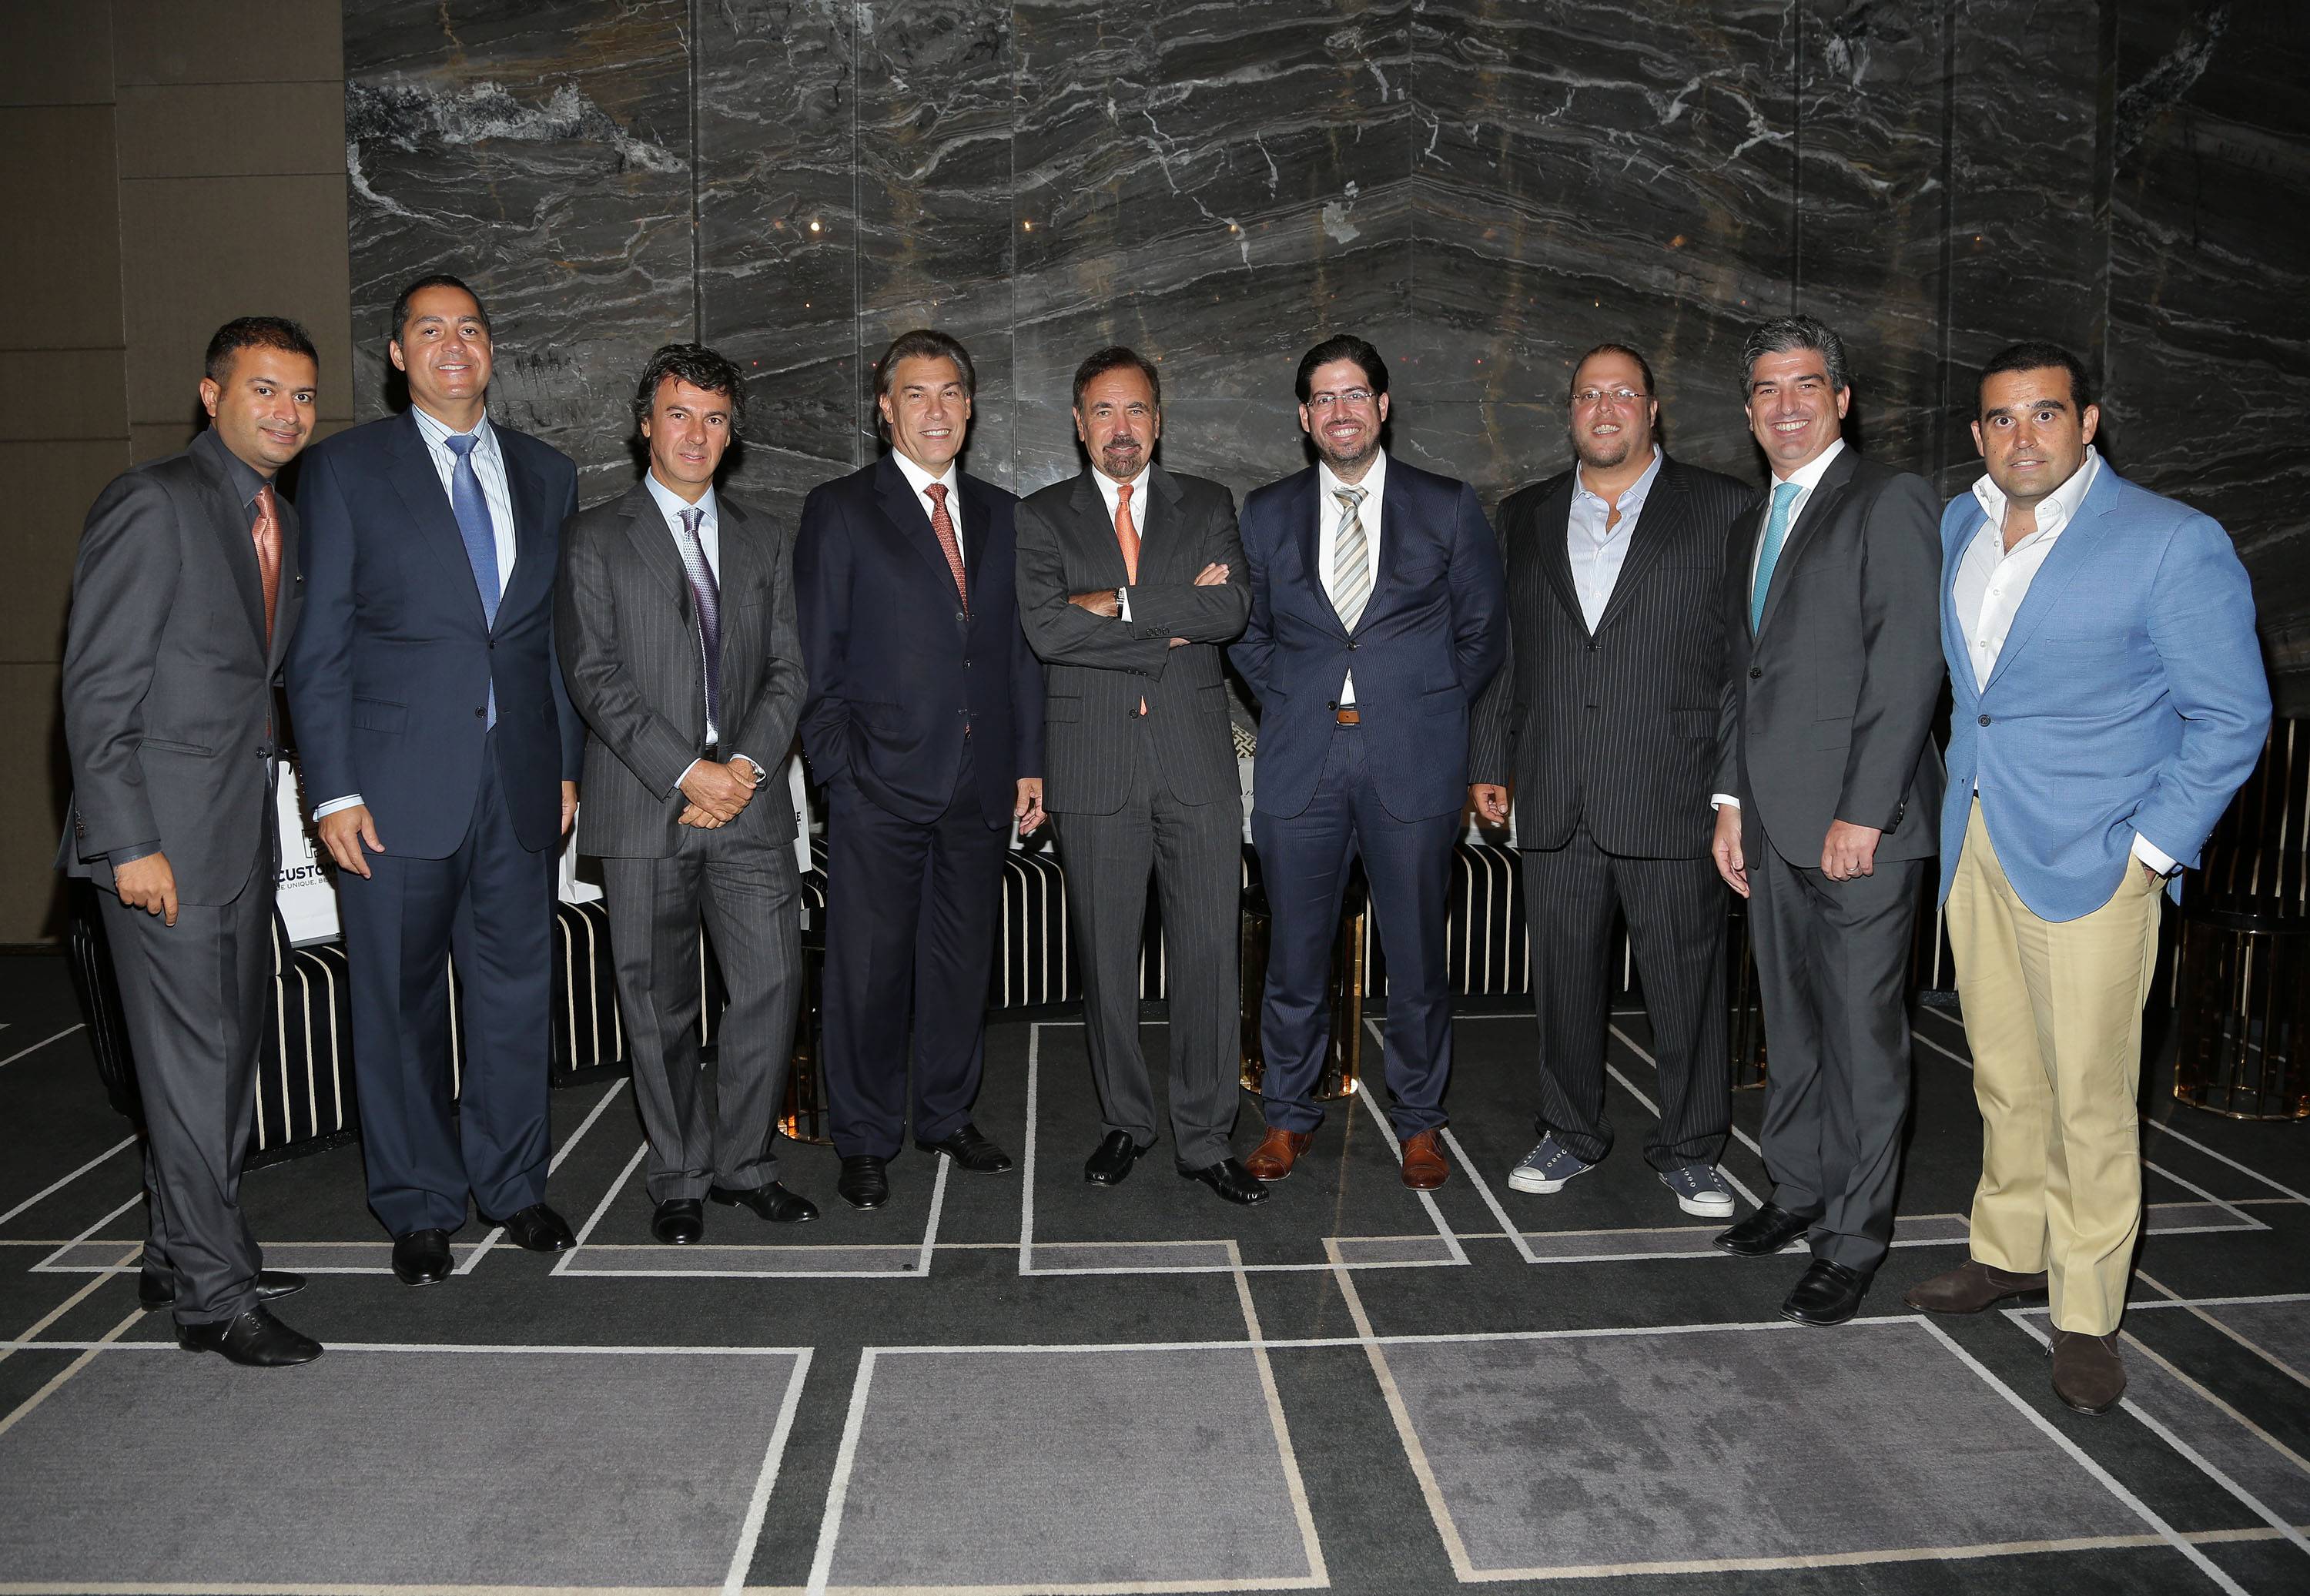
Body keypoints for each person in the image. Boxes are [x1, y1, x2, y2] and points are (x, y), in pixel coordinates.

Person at [1903, 343, 2269, 1411]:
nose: (2022, 436)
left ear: (2088, 421)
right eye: (2001, 418)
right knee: (2004, 1072)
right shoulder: (1960, 523)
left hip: (2099, 856)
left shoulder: (2172, 541)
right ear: (1977, 433)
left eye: (2045, 414)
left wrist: (2150, 851)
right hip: (1978, 836)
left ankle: (2088, 1310)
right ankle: (2010, 1250)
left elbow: (2232, 714)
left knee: (2092, 1100)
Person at [285, 274, 584, 1285]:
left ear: (491, 348)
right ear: (397, 355)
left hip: (519, 781)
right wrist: (331, 789)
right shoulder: (344, 469)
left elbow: (549, 641)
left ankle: (514, 1184)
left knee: (516, 996)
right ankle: (417, 1203)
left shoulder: (547, 472)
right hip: (392, 788)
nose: (453, 345)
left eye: (469, 329)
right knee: (397, 1004)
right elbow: (319, 643)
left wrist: (566, 766)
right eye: (429, 331)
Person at [59, 316, 324, 1365]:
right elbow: (96, 692)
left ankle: (180, 1249)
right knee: (193, 1067)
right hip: (161, 846)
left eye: (303, 396)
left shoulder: (276, 515)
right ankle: (214, 1300)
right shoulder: (153, 501)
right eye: (265, 390)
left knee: (218, 1063)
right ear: (211, 395)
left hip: (234, 837)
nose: (287, 413)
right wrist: (130, 844)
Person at [1470, 343, 1757, 1217]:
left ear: (1652, 409)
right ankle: (1568, 1131)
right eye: (1588, 394)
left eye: (1622, 393)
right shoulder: (1522, 513)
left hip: (1673, 789)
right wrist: (1488, 757)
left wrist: (1731, 791)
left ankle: (1692, 1148)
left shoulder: (1723, 507)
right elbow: (1506, 647)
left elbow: (1744, 667)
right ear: (1570, 411)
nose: (1604, 408)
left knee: (1687, 986)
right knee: (1562, 983)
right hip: (1555, 787)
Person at [1709, 314, 1945, 1327]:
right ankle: (1799, 1189)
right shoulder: (1751, 520)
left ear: (1842, 399)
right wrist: (1731, 802)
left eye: (1807, 384)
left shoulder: (1889, 498)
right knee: (1794, 1026)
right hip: (1770, 824)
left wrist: (1864, 812)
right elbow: (1745, 679)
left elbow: (1908, 666)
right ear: (1749, 411)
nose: (1787, 405)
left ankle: (1852, 1239)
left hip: (1861, 831)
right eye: (1768, 388)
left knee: (1861, 1041)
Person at [1231, 334, 1506, 1189]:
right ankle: (1287, 1115)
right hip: (1301, 761)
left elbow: (1483, 633)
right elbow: (1246, 630)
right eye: (1324, 398)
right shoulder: (1265, 512)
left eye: (1355, 394)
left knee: (1417, 958)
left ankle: (1420, 1123)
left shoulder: (1447, 505)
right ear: (1304, 417)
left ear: (1383, 406)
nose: (1340, 411)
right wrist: (1295, 697)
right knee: (1294, 958)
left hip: (1413, 762)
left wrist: (1421, 705)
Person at [556, 343, 815, 1246]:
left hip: (749, 804)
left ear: (731, 433)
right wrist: (688, 771)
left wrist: (742, 769)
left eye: (714, 418)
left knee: (772, 985)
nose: (696, 434)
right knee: (657, 1003)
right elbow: (593, 676)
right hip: (645, 804)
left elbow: (789, 670)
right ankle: (679, 1176)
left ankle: (744, 1163)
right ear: (645, 426)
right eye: (679, 414)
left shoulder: (766, 535)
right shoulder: (594, 537)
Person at [794, 330, 1045, 1211]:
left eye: (949, 393)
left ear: (970, 407)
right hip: (878, 786)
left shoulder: (1006, 514)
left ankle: (945, 1114)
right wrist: (841, 773)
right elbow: (814, 657)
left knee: (960, 964)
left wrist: (1028, 763)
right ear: (884, 407)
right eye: (915, 393)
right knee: (867, 971)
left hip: (979, 785)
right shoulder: (840, 510)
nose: (935, 410)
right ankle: (865, 1135)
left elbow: (1018, 652)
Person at [1014, 346, 1260, 1205]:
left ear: (1159, 419)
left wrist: (1112, 603)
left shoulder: (1209, 503)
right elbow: (1045, 630)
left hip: (1196, 765)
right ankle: (1125, 1121)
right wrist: (1169, 611)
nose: (1122, 429)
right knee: (1108, 961)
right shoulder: (1040, 516)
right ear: (1079, 424)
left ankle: (1206, 1136)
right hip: (1093, 767)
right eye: (1104, 412)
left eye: (1137, 410)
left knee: (1210, 958)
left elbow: (1230, 609)